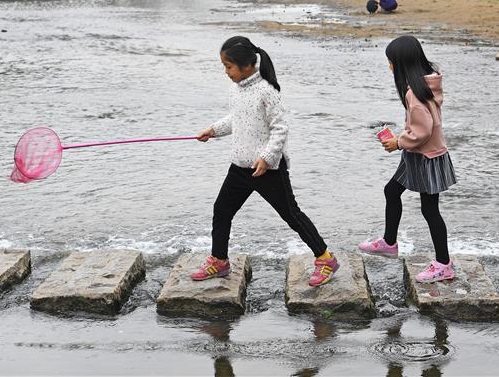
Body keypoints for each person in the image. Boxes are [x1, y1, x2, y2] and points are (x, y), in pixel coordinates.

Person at [195, 36, 340, 287]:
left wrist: (267, 157)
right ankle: (219, 260)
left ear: (246, 66)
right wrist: (214, 130)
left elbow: (280, 129)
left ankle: (326, 259)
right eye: (224, 66)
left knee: (291, 215)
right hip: (240, 167)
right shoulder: (236, 89)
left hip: (267, 170)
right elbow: (237, 119)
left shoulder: (267, 91)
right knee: (222, 210)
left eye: (228, 66)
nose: (226, 72)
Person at [358, 36, 456, 283]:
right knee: (392, 191)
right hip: (419, 154)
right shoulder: (425, 84)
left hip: (426, 157)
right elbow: (422, 126)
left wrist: (398, 142)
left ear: (402, 64)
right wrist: (403, 139)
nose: (389, 66)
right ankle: (389, 242)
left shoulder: (415, 93)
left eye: (391, 62)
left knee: (430, 210)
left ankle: (444, 264)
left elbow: (423, 131)